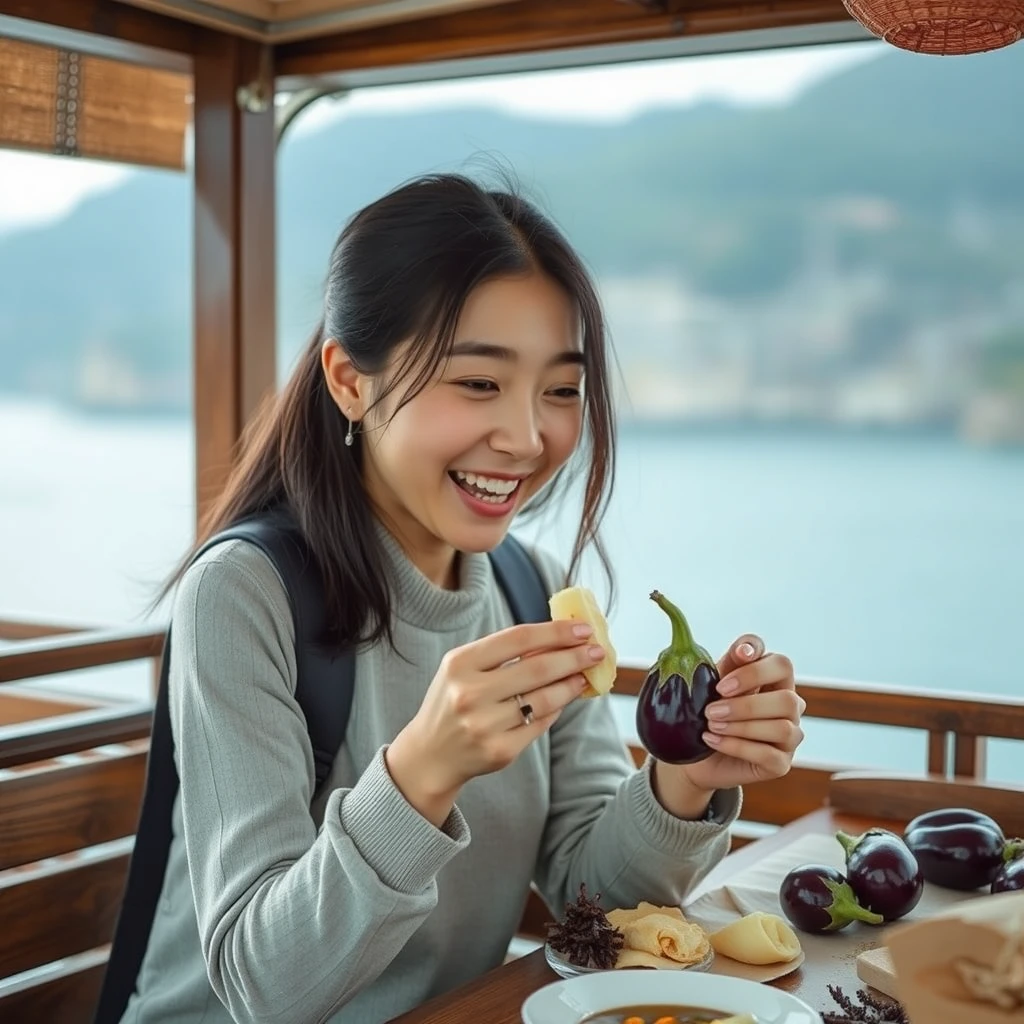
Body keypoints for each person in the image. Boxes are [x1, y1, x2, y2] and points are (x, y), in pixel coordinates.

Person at [119, 172, 805, 1024]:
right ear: (350, 380)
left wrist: (684, 780)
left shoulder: (535, 585)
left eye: (560, 389)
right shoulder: (244, 592)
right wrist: (422, 774)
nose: (527, 437)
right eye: (478, 383)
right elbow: (267, 987)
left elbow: (596, 898)